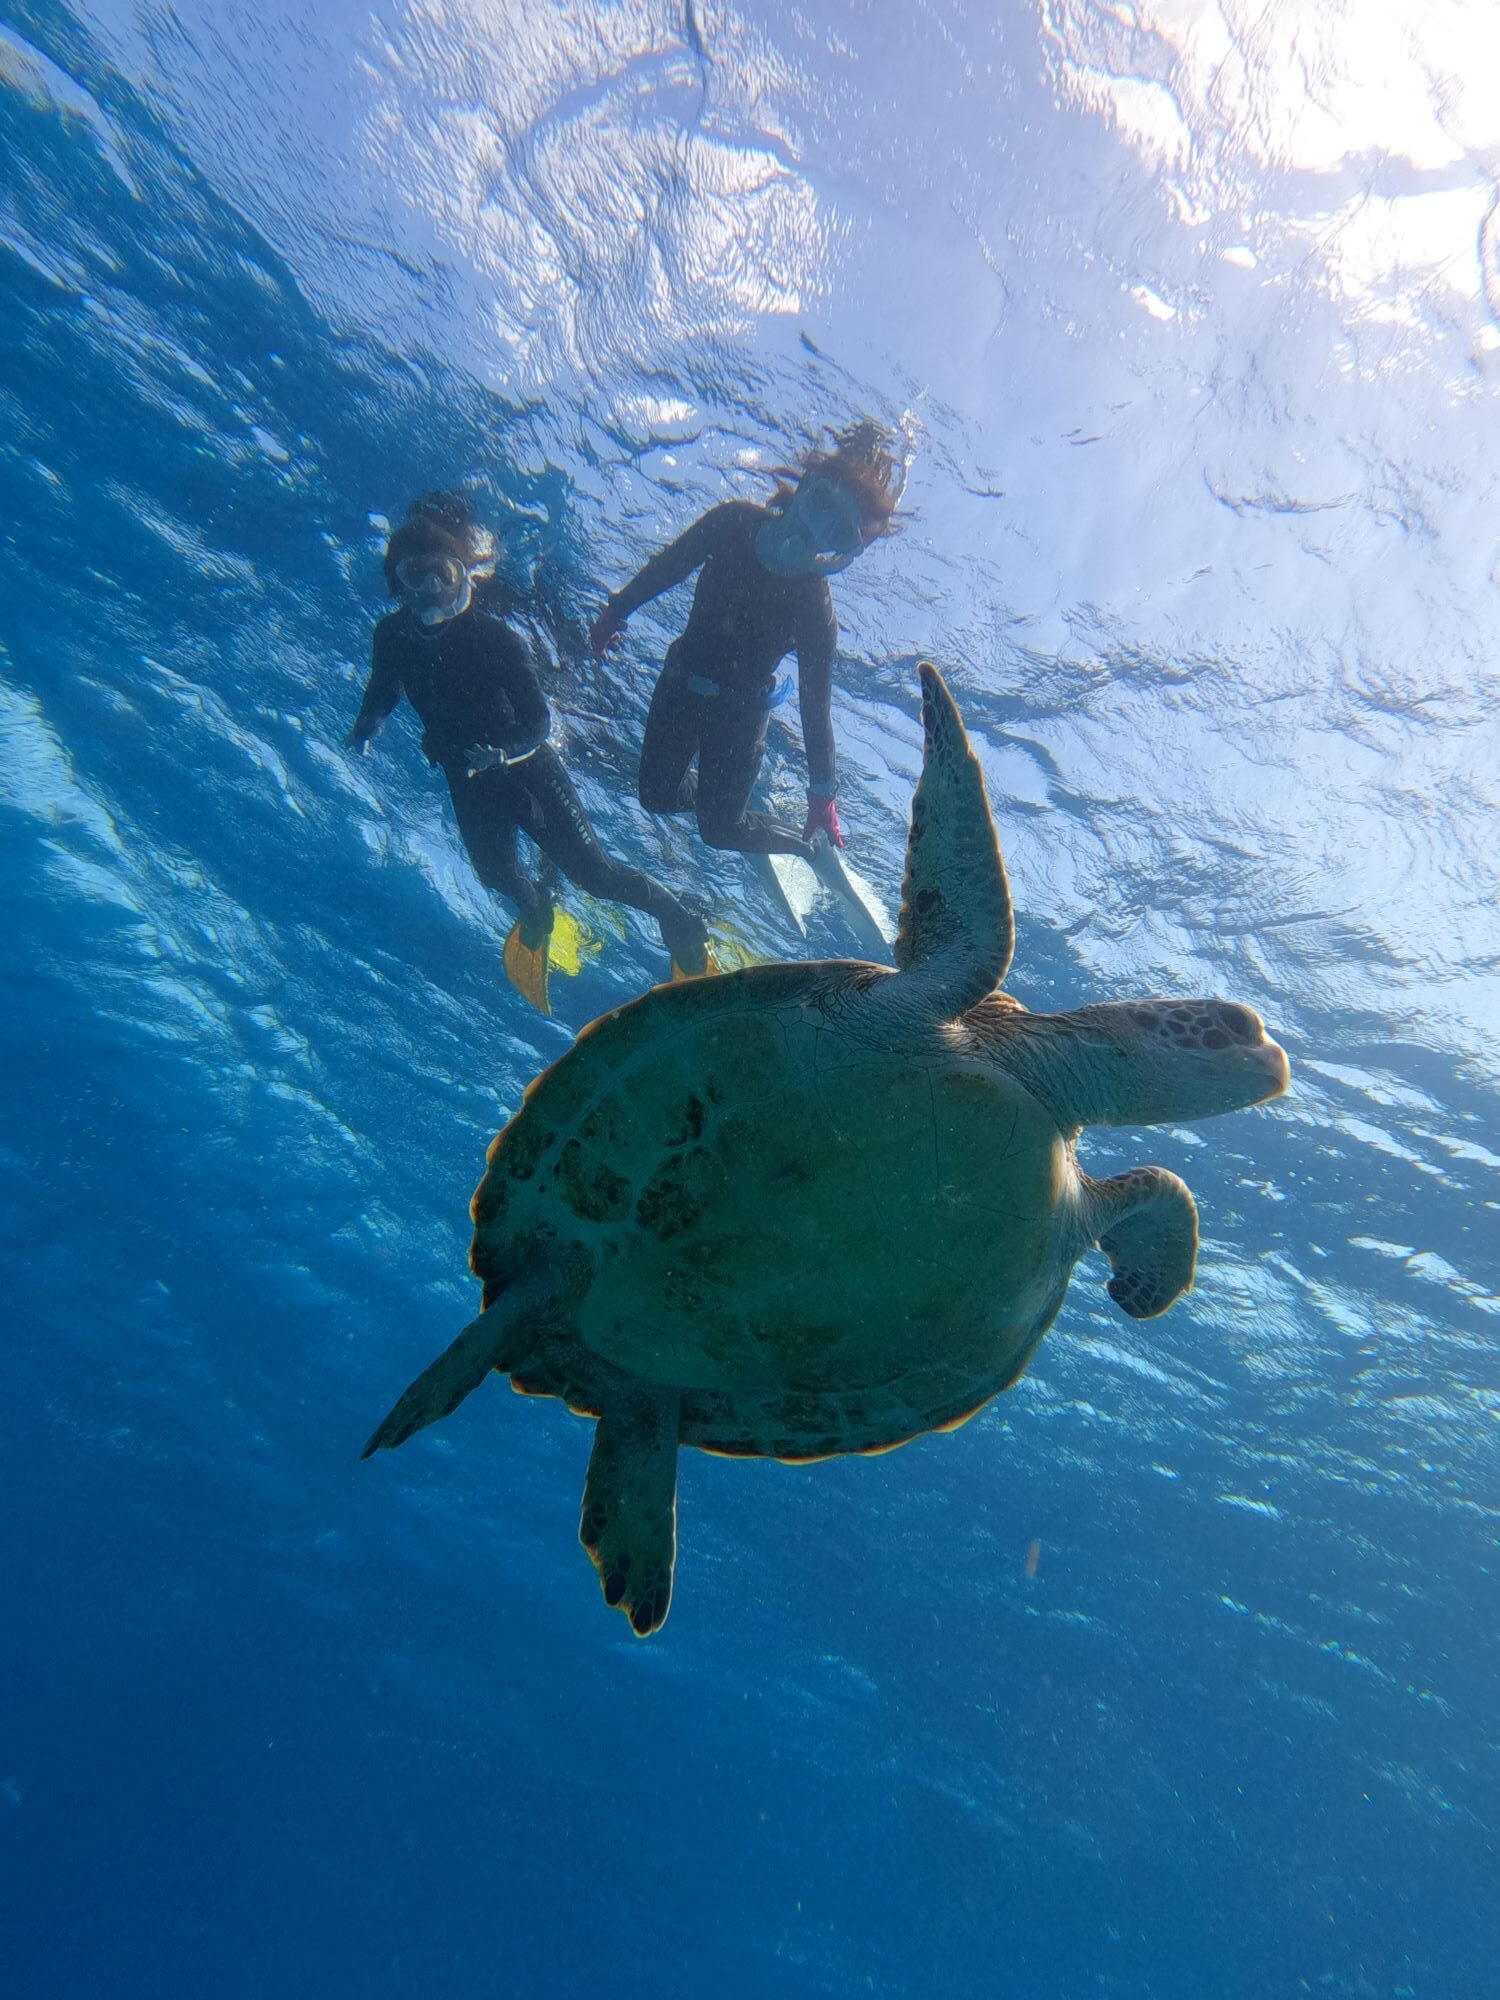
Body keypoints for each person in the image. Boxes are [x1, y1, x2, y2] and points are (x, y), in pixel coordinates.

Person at [347, 494, 711, 1014]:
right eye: (415, 576)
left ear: (463, 574)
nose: (430, 590)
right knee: (494, 875)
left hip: (528, 772)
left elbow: (541, 721)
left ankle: (678, 919)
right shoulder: (391, 637)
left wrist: (503, 753)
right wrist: (367, 724)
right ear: (396, 582)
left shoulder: (495, 637)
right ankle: (540, 907)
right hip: (466, 776)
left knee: (598, 875)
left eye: (443, 575)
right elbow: (384, 686)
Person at [588, 422, 903, 861]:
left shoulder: (816, 610)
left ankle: (805, 847)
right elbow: (670, 566)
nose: (817, 534)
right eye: (822, 506)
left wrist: (822, 796)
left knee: (718, 831)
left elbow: (816, 706)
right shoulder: (734, 522)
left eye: (840, 535)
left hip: (741, 715)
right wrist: (616, 611)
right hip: (681, 683)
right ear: (805, 486)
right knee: (656, 798)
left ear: (848, 552)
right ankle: (730, 802)